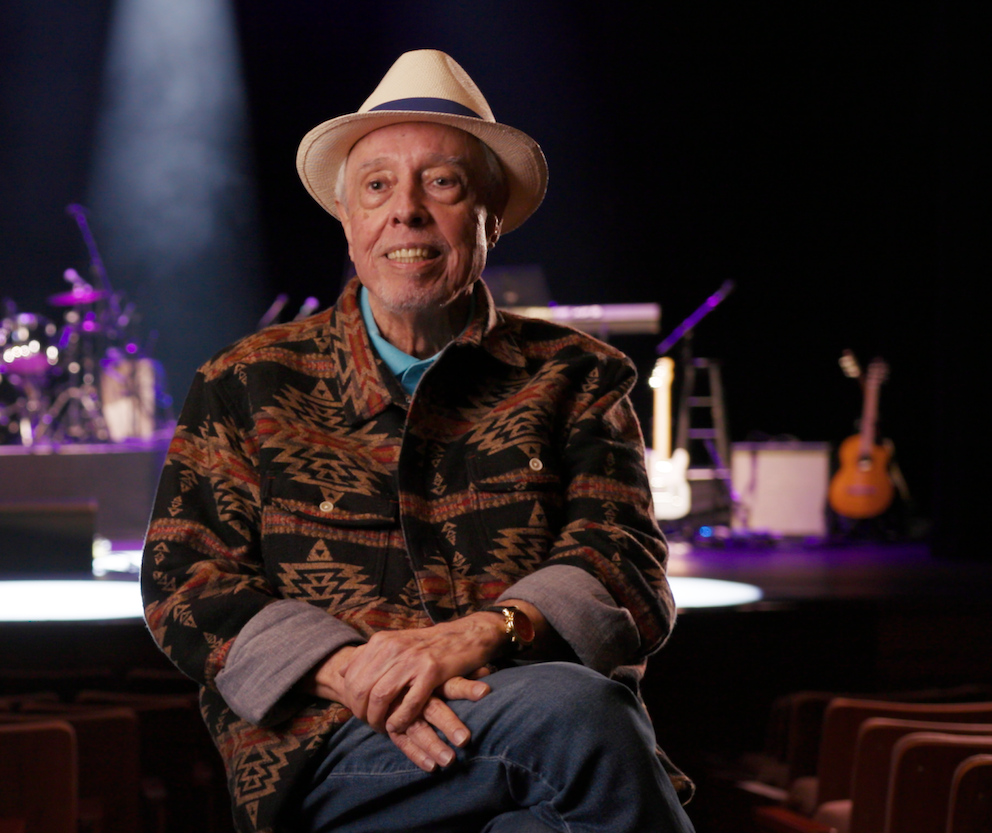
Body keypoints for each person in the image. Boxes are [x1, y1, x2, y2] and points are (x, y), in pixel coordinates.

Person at [140, 49, 696, 832]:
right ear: (349, 219)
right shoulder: (246, 381)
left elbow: (625, 564)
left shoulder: (577, 376)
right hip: (330, 749)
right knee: (583, 717)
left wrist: (478, 636)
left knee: (554, 786)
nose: (405, 210)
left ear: (489, 218)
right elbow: (183, 580)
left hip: (542, 745)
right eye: (376, 186)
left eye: (441, 182)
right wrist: (352, 670)